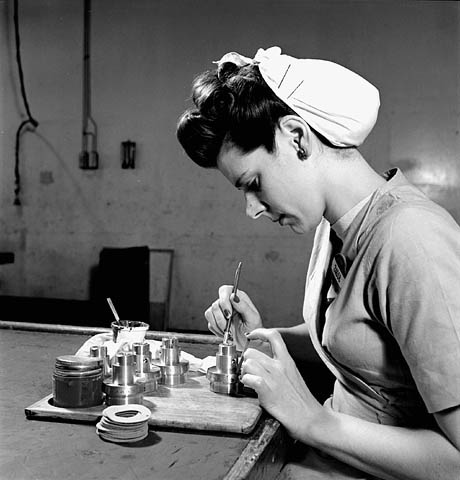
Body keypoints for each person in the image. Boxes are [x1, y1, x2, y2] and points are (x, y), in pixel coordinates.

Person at [176, 47, 460, 480]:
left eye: (253, 183)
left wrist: (313, 421)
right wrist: (263, 338)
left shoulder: (412, 239)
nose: (252, 209)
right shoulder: (338, 226)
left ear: (296, 137)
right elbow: (365, 347)